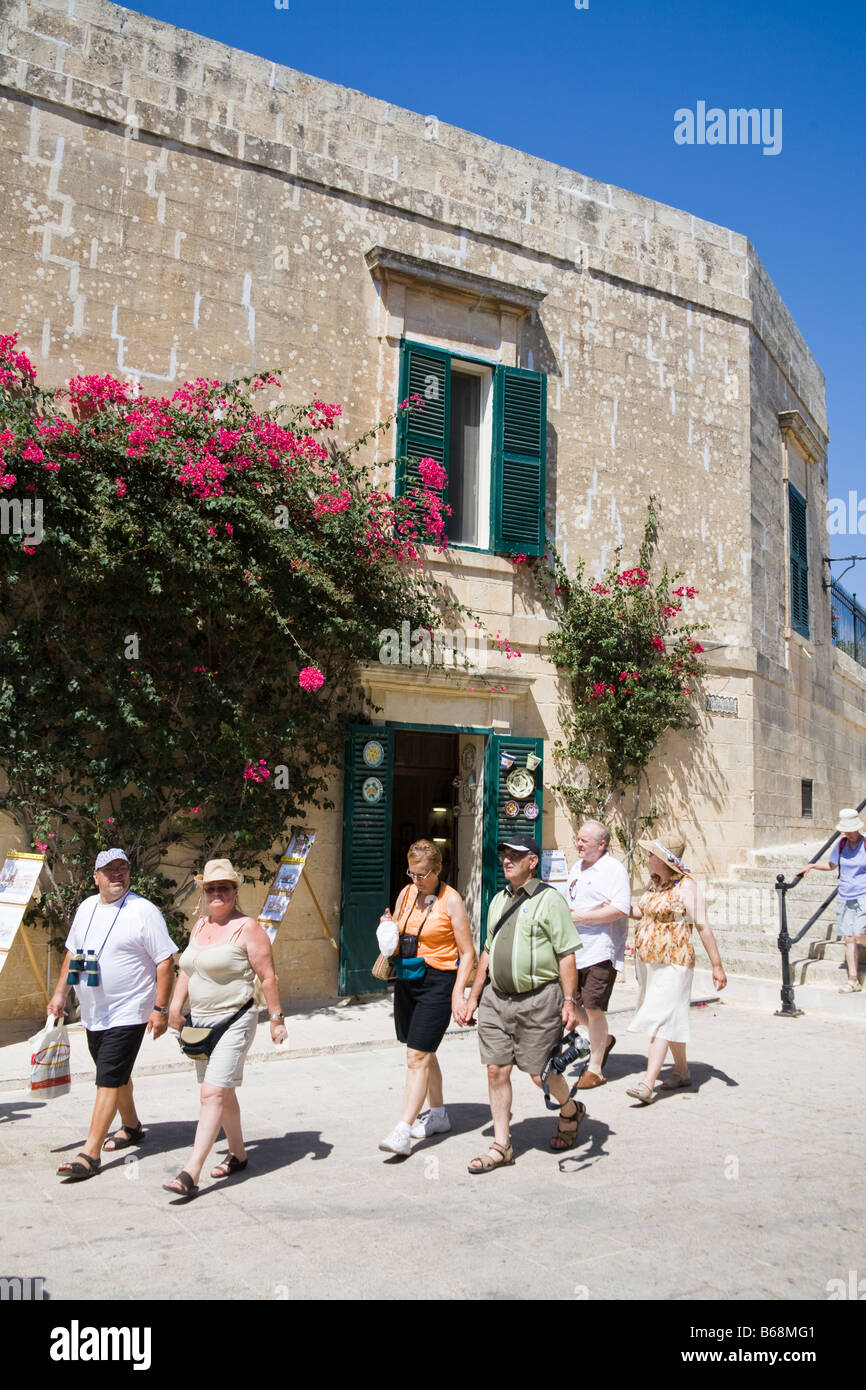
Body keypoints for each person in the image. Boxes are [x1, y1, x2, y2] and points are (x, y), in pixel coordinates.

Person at [49, 849, 177, 1180]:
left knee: (107, 1077)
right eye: (109, 870)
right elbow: (72, 953)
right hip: (94, 1011)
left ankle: (89, 1154)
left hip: (129, 1009)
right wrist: (60, 994)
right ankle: (132, 1127)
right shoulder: (87, 908)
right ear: (96, 877)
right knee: (114, 1072)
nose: (117, 874)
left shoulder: (143, 911)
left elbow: (165, 961)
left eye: (123, 868)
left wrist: (160, 1009)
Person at [164, 858, 287, 1198]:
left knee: (212, 1093)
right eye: (211, 888)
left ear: (235, 891)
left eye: (223, 888)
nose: (216, 893)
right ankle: (238, 1154)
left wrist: (276, 1020)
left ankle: (191, 1171)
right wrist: (175, 1005)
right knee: (224, 1090)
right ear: (204, 893)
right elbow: (187, 969)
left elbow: (268, 976)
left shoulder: (248, 928)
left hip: (235, 1019)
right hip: (201, 1024)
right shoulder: (200, 926)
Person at [460, 835, 583, 1171]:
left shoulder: (550, 900)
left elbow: (566, 955)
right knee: (496, 1069)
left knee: (539, 1073)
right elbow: (487, 950)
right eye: (504, 855)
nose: (507, 860)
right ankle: (502, 1145)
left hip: (539, 1000)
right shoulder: (498, 900)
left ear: (532, 862)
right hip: (496, 999)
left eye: (515, 855)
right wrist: (473, 996)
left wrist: (569, 1001)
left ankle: (570, 1109)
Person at [378, 839, 476, 1156]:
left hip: (438, 981)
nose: (415, 880)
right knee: (423, 1051)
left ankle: (402, 1130)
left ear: (437, 870)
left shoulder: (452, 901)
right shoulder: (407, 893)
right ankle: (439, 1115)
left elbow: (468, 953)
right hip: (409, 977)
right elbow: (400, 934)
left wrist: (459, 996)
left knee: (416, 1057)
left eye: (422, 874)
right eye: (412, 873)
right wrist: (387, 929)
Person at [626, 833, 726, 1104]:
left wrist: (717, 965)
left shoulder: (686, 887)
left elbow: (702, 925)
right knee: (670, 1016)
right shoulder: (656, 884)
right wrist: (619, 907)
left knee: (660, 1017)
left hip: (675, 961)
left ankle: (647, 1083)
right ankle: (681, 1071)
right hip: (650, 961)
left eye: (651, 855)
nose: (647, 858)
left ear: (663, 860)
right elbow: (645, 912)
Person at [566, 820, 630, 1088]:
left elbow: (621, 908)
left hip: (600, 948)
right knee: (570, 1001)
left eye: (584, 841)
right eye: (578, 839)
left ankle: (595, 1068)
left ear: (601, 844)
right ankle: (602, 1040)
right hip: (574, 948)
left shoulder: (613, 869)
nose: (578, 844)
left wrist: (584, 917)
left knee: (593, 1007)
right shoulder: (576, 867)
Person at [797, 807, 866, 992]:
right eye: (846, 830)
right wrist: (812, 866)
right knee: (848, 939)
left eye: (851, 830)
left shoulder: (865, 844)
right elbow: (831, 865)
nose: (848, 833)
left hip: (863, 895)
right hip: (845, 895)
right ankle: (853, 980)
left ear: (857, 828)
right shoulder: (841, 844)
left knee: (859, 934)